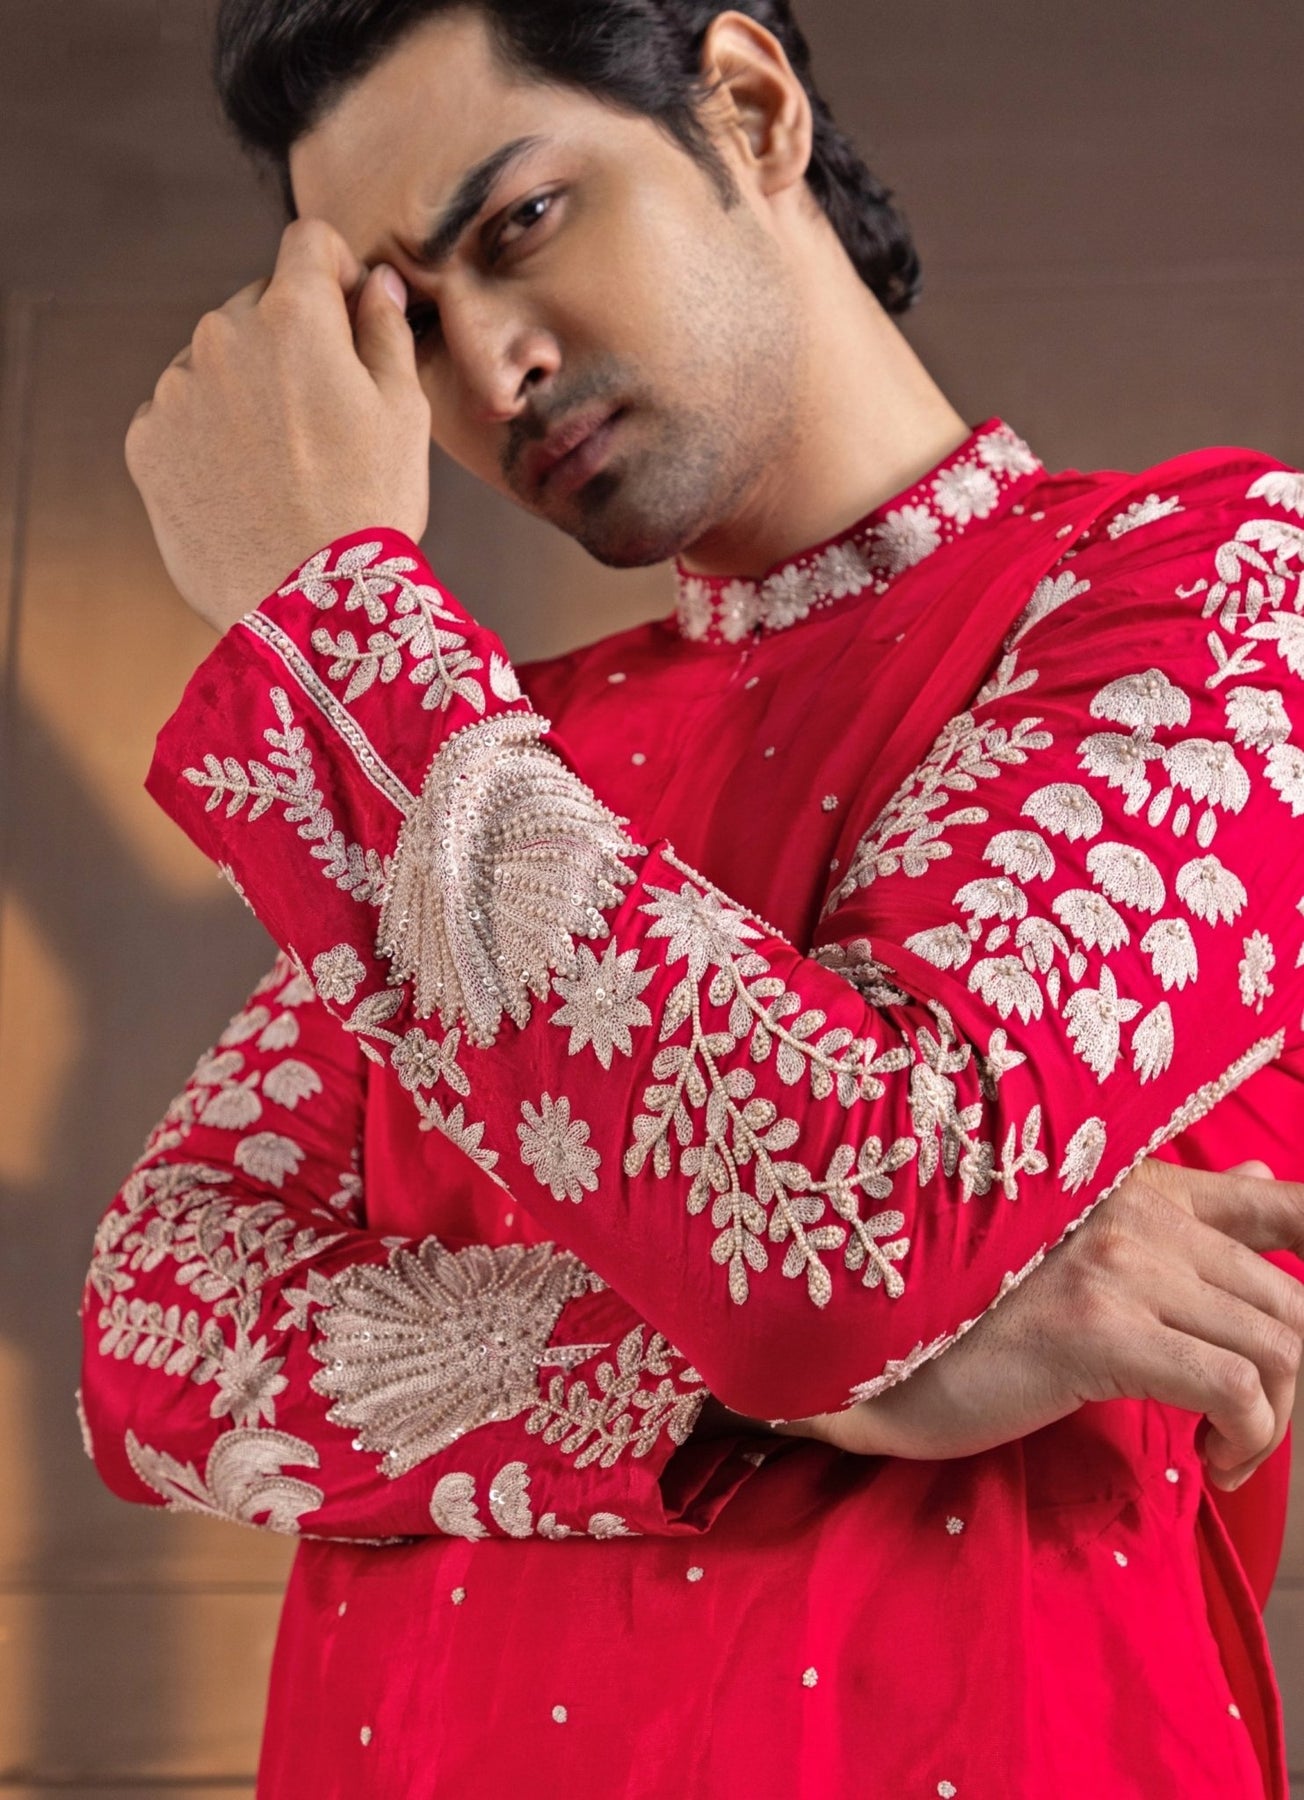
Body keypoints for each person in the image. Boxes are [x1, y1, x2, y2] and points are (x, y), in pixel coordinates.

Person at [81, 2, 1304, 1794]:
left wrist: (326, 604)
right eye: (410, 323)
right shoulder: (486, 754)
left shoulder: (1213, 592)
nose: (490, 368)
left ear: (748, 105)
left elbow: (853, 1223)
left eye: (521, 221)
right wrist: (757, 1387)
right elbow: (157, 1336)